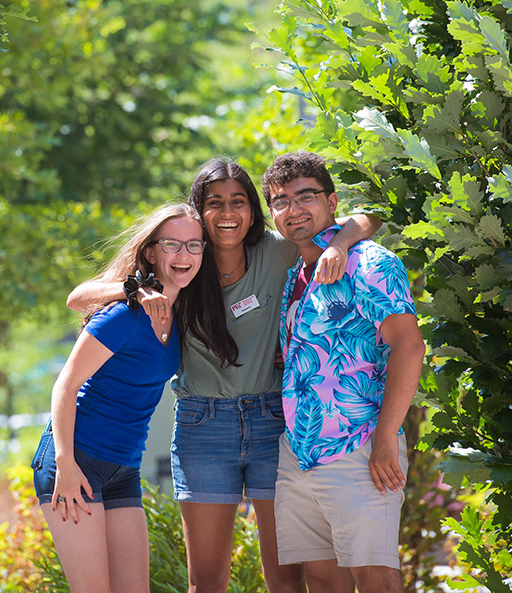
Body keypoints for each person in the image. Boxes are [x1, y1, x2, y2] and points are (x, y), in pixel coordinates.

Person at [67, 157, 381, 593]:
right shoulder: (184, 260)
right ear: (199, 210)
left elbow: (370, 216)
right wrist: (136, 289)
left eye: (238, 201)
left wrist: (340, 245)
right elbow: (78, 297)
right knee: (208, 581)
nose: (228, 213)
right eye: (215, 203)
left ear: (254, 210)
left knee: (286, 578)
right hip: (202, 427)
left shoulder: (277, 251)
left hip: (273, 421)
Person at [32, 202, 220, 593]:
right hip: (76, 461)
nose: (184, 255)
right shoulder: (124, 315)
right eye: (172, 245)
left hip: (122, 469)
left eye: (194, 245)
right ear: (151, 252)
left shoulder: (183, 314)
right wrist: (65, 466)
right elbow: (65, 386)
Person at [262, 151, 425, 593]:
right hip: (300, 451)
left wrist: (386, 439)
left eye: (305, 196)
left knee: (375, 579)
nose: (293, 210)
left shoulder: (368, 263)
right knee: (322, 581)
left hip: (360, 445)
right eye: (280, 201)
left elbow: (410, 348)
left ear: (332, 202)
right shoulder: (296, 272)